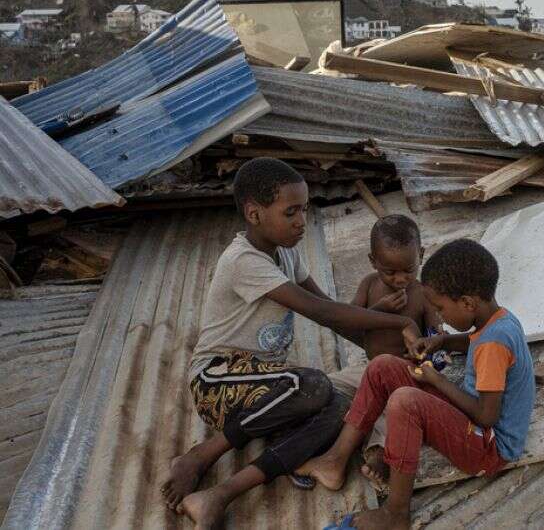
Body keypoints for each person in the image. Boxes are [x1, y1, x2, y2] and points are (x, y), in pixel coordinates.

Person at [159, 157, 424, 530]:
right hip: (217, 381)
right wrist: (401, 321)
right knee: (314, 385)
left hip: (269, 387)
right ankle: (201, 456)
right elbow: (322, 313)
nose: (302, 221)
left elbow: (332, 311)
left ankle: (220, 495)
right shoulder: (243, 261)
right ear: (254, 213)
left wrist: (385, 361)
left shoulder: (286, 252)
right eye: (291, 212)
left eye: (305, 209)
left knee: (343, 405)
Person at [299, 239, 535, 530]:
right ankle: (335, 461)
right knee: (382, 366)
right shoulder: (498, 320)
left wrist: (436, 380)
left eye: (441, 308)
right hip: (475, 423)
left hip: (490, 447)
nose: (441, 316)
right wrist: (444, 340)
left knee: (405, 401)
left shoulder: (494, 345)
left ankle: (395, 514)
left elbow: (487, 416)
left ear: (467, 303)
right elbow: (474, 341)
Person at [326, 213, 448, 489]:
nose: (400, 278)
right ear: (372, 262)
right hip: (369, 371)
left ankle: (380, 456)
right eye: (389, 272)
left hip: (404, 374)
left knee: (391, 412)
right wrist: (380, 310)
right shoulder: (369, 284)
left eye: (408, 269)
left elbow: (438, 333)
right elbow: (350, 319)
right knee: (327, 385)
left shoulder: (423, 294)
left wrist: (431, 344)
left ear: (422, 256)